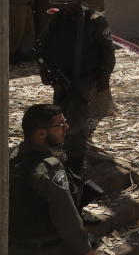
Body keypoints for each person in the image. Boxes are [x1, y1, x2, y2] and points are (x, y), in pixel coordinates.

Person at [36, 0, 115, 176]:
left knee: (76, 122)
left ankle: (75, 165)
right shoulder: (57, 19)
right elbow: (42, 45)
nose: (63, 6)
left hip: (82, 79)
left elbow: (108, 53)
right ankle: (60, 154)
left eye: (66, 2)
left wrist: (104, 79)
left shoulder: (94, 20)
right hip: (60, 77)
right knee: (57, 115)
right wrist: (44, 70)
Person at [9, 103, 95, 255]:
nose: (67, 127)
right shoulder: (48, 169)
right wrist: (86, 250)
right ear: (41, 133)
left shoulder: (10, 157)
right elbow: (67, 218)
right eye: (61, 125)